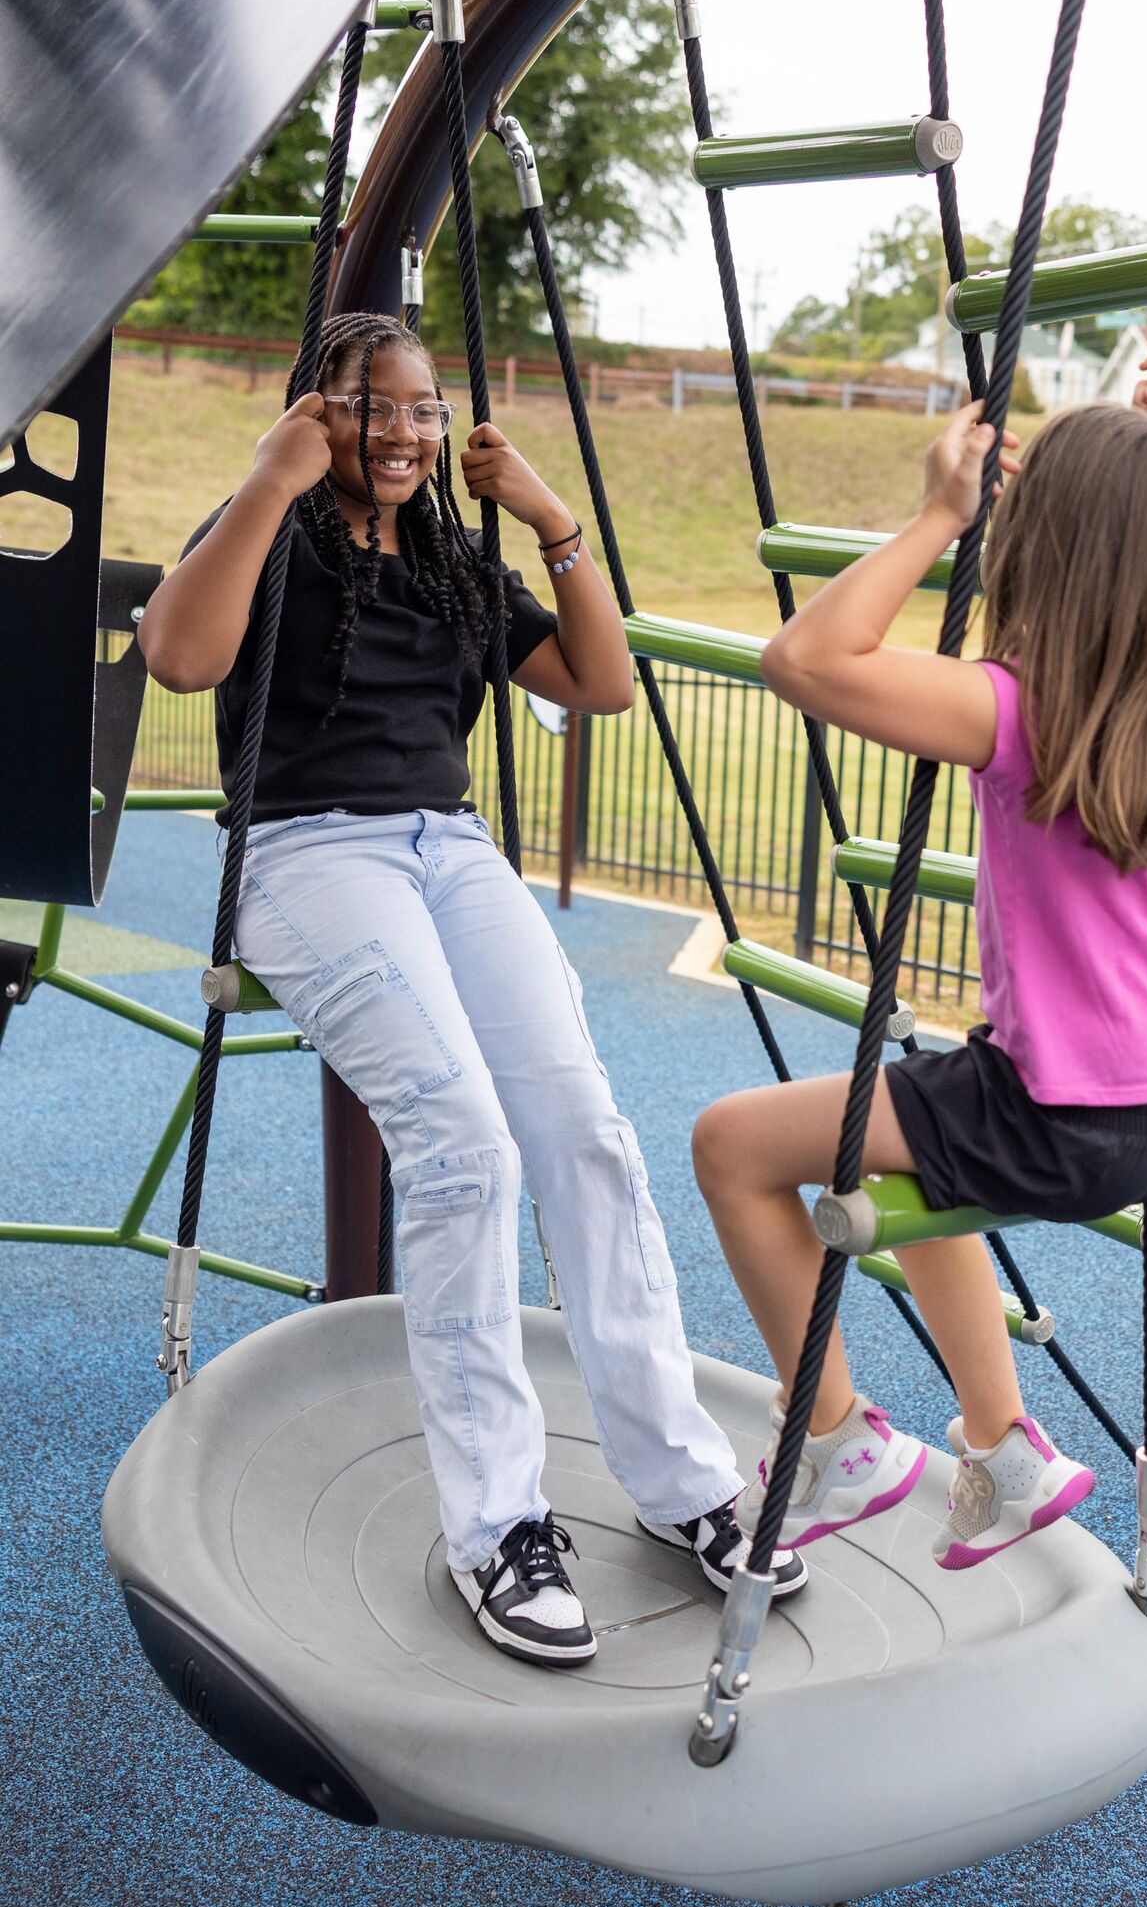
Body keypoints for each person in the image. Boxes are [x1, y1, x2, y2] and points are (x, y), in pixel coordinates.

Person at [137, 311, 805, 1669]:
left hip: (447, 848)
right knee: (463, 1148)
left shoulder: (455, 560)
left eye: (421, 409)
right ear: (319, 411)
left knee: (585, 1132)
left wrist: (552, 520)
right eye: (370, 405)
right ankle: (499, 1526)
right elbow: (179, 658)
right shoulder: (270, 531)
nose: (401, 432)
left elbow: (602, 685)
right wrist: (266, 480)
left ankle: (680, 1482)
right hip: (304, 849)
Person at [692, 359, 1147, 1570]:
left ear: (1046, 556)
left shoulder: (1014, 711)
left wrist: (938, 513)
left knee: (730, 1146)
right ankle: (1004, 1448)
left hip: (1049, 1117)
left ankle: (833, 1438)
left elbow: (806, 658)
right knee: (913, 1133)